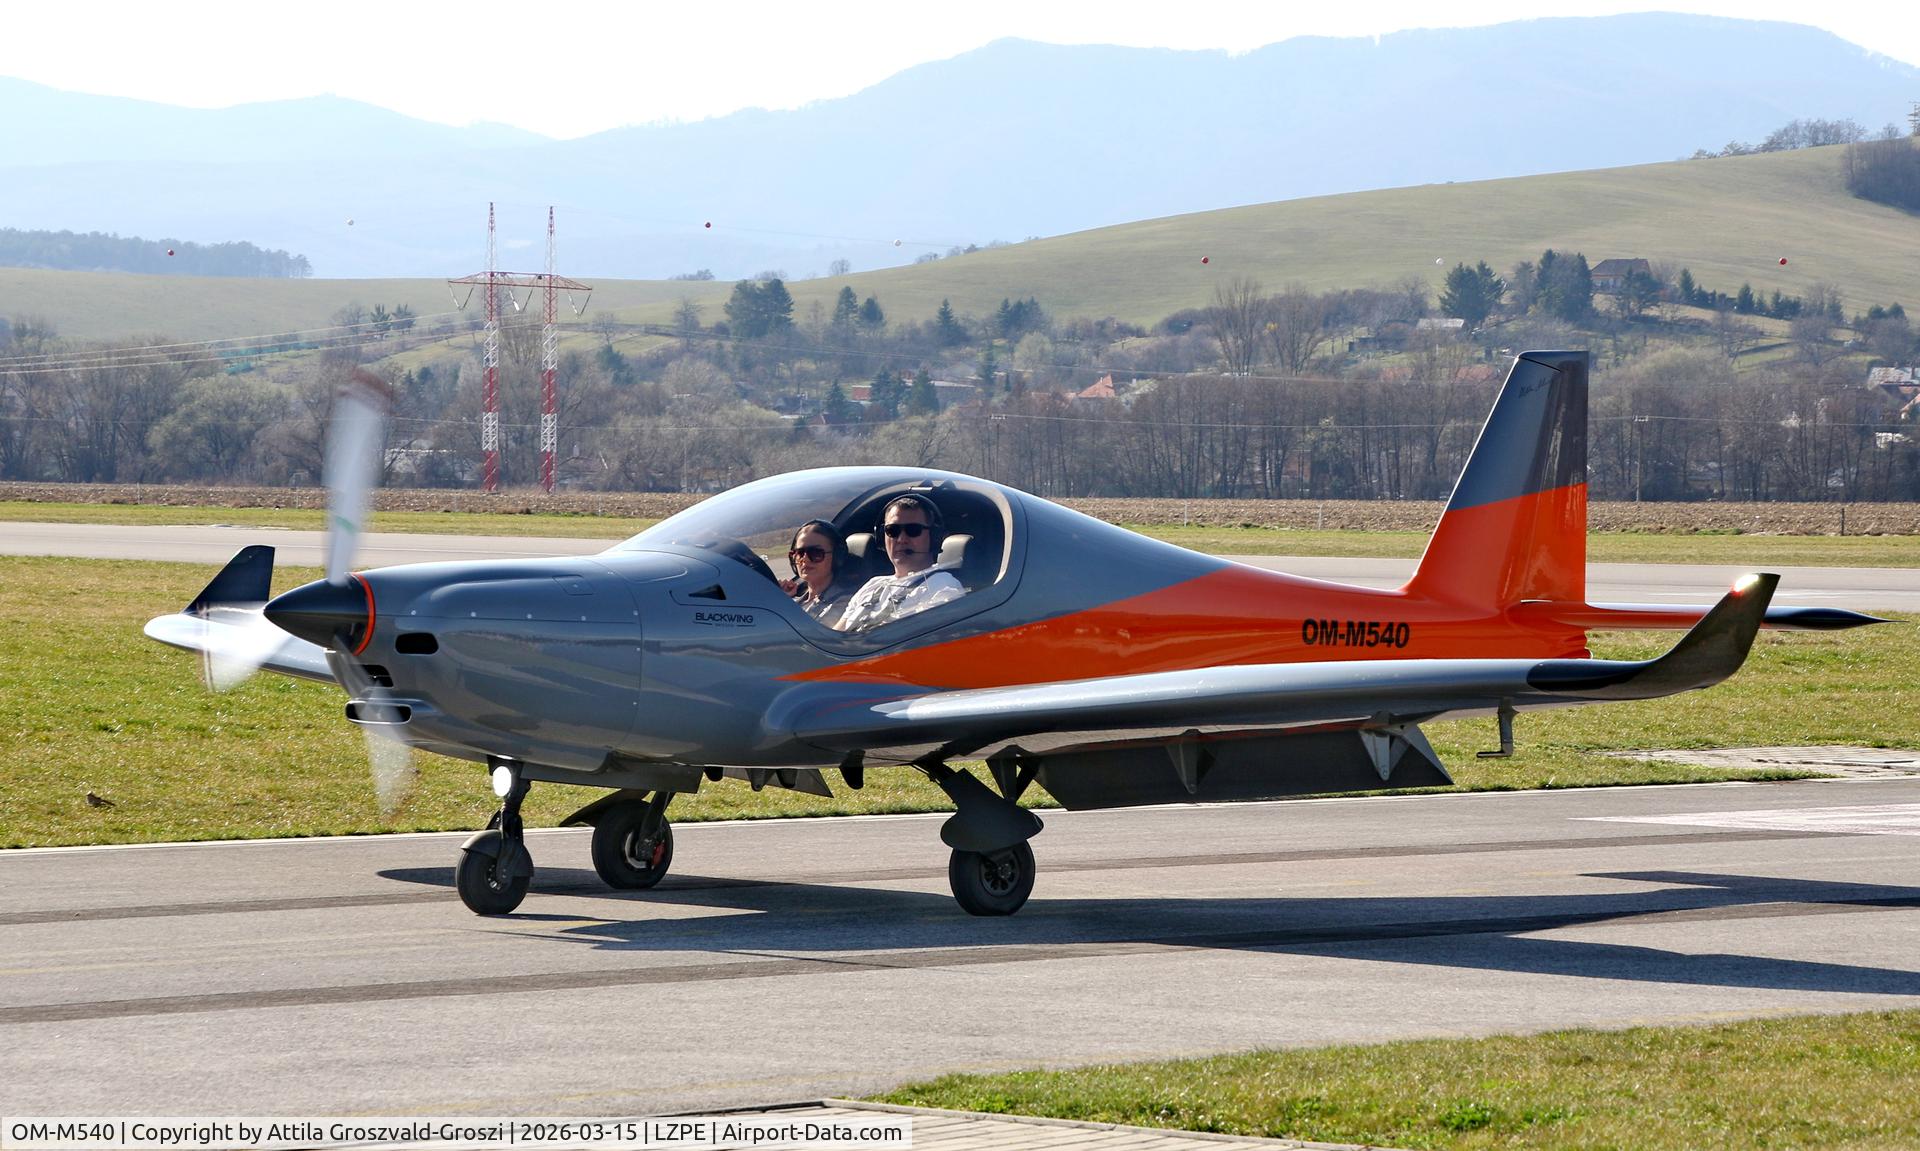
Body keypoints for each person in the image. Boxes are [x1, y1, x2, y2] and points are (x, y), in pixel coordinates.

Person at [835, 494, 965, 632]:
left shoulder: (943, 586)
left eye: (913, 530)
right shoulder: (872, 586)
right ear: (881, 537)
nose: (901, 539)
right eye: (893, 531)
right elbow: (834, 638)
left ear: (935, 537)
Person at [779, 520, 860, 628]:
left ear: (837, 557)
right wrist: (781, 600)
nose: (805, 560)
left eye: (816, 553)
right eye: (799, 554)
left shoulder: (846, 604)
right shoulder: (796, 599)